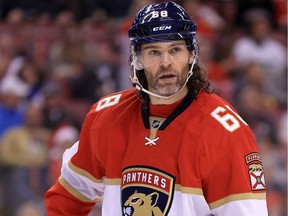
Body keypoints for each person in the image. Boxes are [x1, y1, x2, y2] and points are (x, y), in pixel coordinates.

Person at [45, 2, 268, 215]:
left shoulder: (224, 130)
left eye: (175, 50)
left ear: (192, 55)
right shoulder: (106, 116)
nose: (165, 62)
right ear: (137, 59)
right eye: (153, 52)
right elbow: (67, 197)